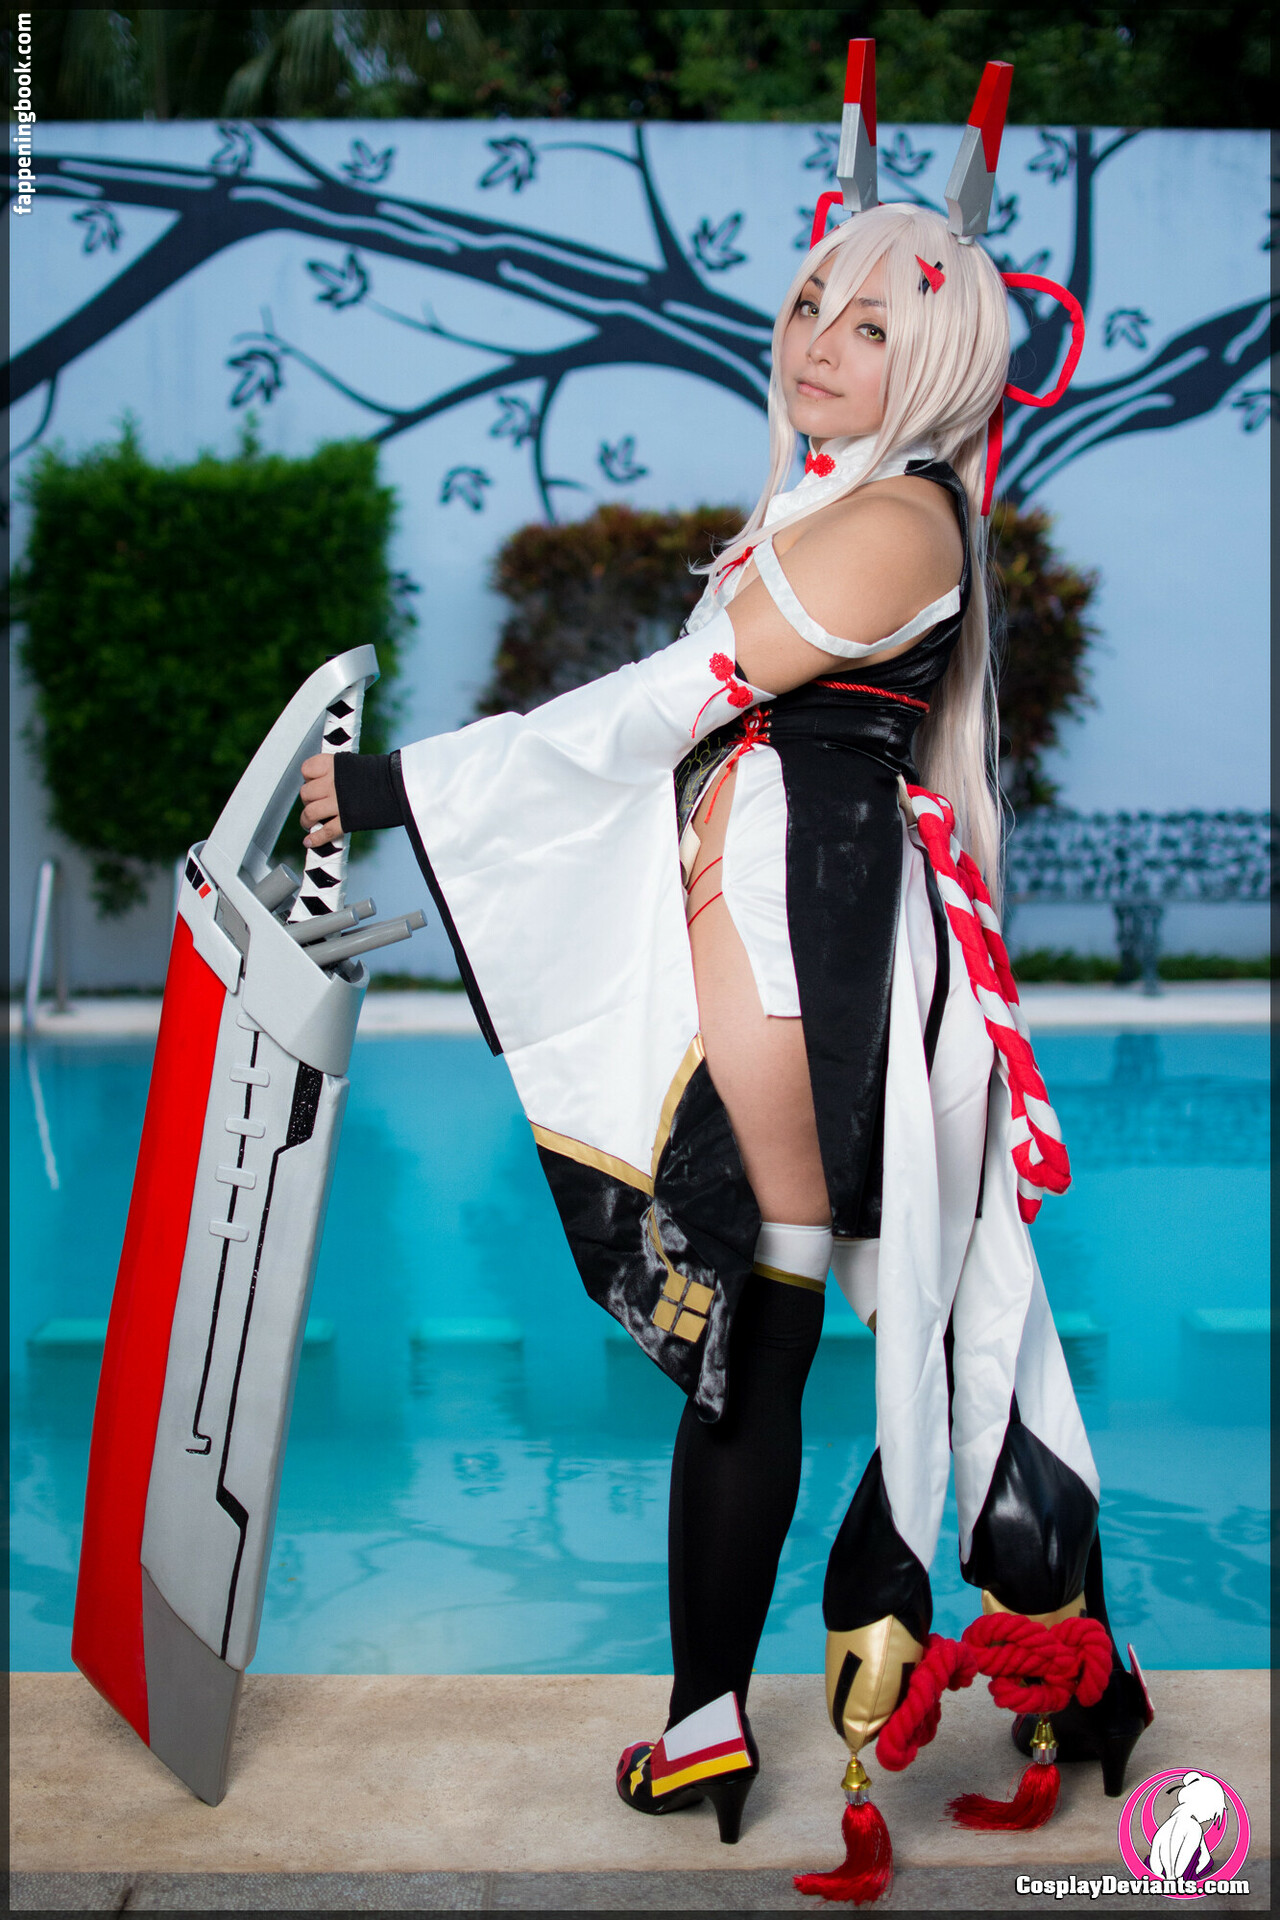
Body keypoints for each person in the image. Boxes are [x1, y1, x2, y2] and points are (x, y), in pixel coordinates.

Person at [298, 196, 1150, 1863]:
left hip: (806, 949)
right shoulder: (839, 501)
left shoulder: (901, 516)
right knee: (793, 1330)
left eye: (870, 327)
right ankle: (764, 1717)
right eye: (812, 303)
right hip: (782, 932)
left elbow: (668, 703)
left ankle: (820, 1708)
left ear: (942, 366)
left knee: (841, 1324)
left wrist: (400, 784)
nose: (816, 340)